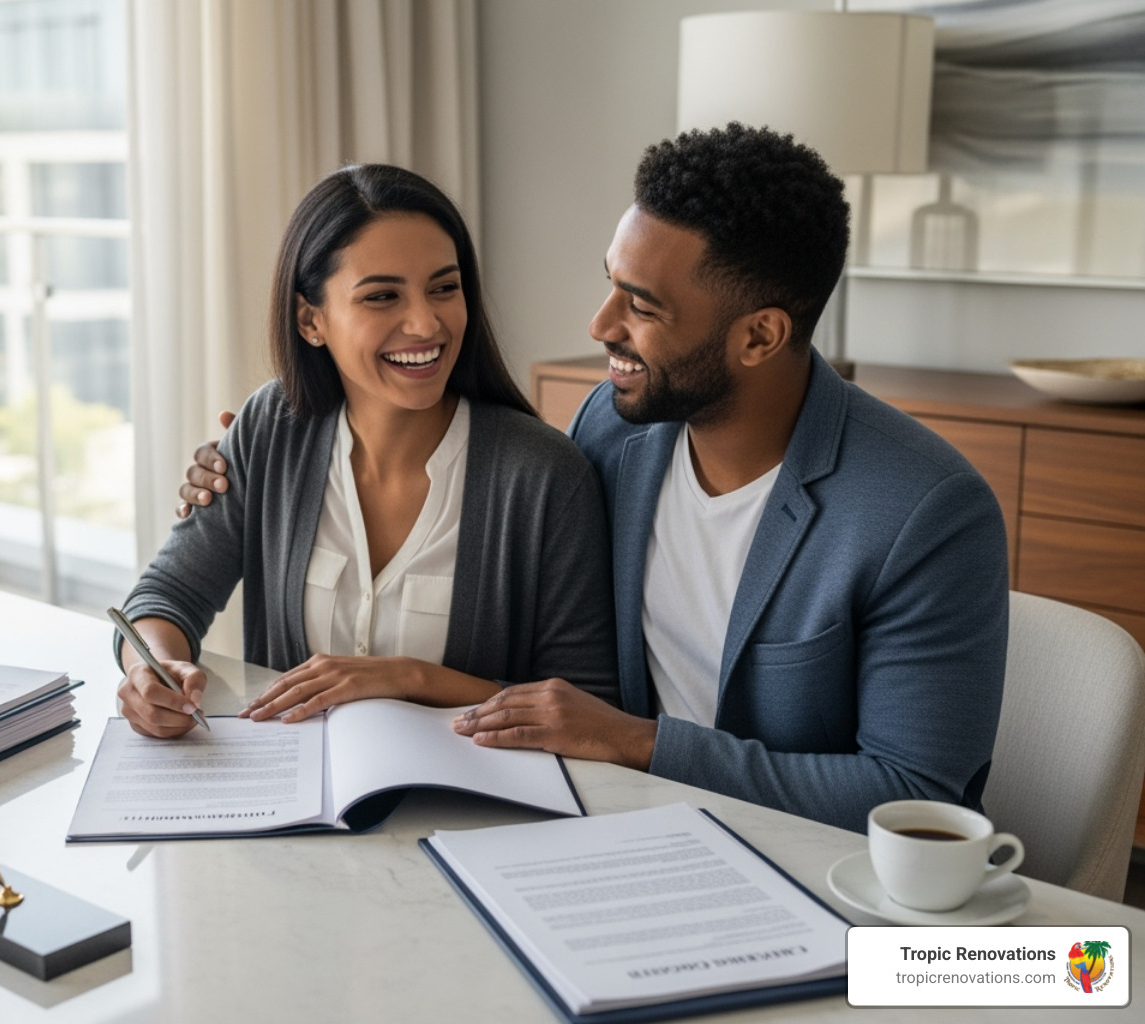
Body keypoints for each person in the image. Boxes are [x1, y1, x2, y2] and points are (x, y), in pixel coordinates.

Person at [181, 126, 1009, 833]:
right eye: (610, 280)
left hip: (801, 870)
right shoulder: (614, 431)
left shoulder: (924, 511)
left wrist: (637, 741)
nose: (600, 324)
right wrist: (246, 467)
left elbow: (915, 798)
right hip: (603, 822)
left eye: (640, 306)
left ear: (759, 337)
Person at [118, 163, 617, 739]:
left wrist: (409, 678)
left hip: (474, 815)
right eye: (382, 295)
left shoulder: (545, 475)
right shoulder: (269, 429)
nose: (426, 322)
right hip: (295, 801)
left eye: (444, 287)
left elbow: (586, 708)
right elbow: (166, 595)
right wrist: (150, 669)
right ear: (311, 320)